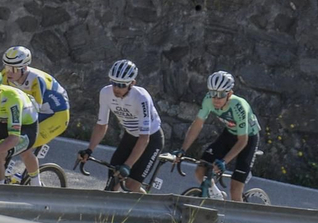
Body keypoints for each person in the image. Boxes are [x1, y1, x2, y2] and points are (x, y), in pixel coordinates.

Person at [76, 59, 164, 193]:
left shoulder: (141, 97)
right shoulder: (105, 93)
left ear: (132, 83)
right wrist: (89, 150)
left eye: (122, 85)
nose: (116, 88)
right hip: (130, 136)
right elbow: (101, 125)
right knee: (113, 181)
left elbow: (144, 139)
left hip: (151, 139)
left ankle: (142, 205)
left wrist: (128, 165)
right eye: (114, 83)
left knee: (130, 185)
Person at [173, 70, 260, 201]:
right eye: (213, 93)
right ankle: (217, 196)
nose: (216, 99)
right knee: (200, 171)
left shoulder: (238, 107)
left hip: (248, 138)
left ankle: (239, 221)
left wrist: (224, 161)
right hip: (229, 133)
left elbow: (243, 141)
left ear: (229, 94)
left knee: (235, 189)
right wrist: (183, 149)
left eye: (220, 95)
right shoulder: (208, 100)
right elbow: (197, 125)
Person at [0, 45, 69, 181]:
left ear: (24, 68)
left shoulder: (36, 80)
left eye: (13, 69)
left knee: (24, 146)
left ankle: (36, 185)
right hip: (33, 110)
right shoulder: (5, 75)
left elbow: (33, 110)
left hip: (55, 115)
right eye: (6, 67)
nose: (8, 72)